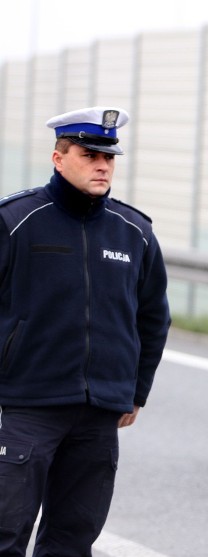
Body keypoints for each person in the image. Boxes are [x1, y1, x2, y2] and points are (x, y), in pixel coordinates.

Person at [0, 106, 171, 556]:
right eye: (88, 154)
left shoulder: (134, 231)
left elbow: (153, 317)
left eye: (109, 158)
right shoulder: (15, 220)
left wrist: (136, 390)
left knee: (73, 541)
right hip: (24, 407)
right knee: (5, 534)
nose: (101, 165)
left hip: (99, 413)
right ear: (59, 158)